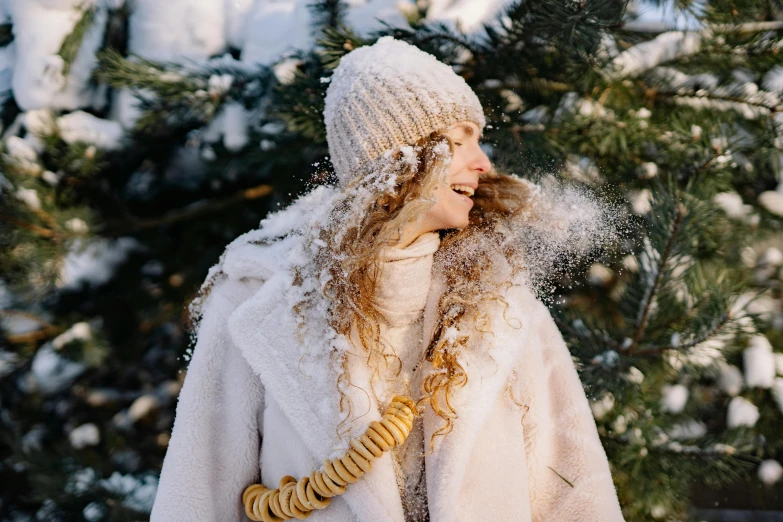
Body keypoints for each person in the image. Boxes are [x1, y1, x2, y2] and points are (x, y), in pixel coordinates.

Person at [150, 36, 625, 522]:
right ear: (400, 158)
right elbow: (196, 491)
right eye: (460, 141)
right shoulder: (257, 300)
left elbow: (574, 488)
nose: (483, 162)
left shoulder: (504, 303)